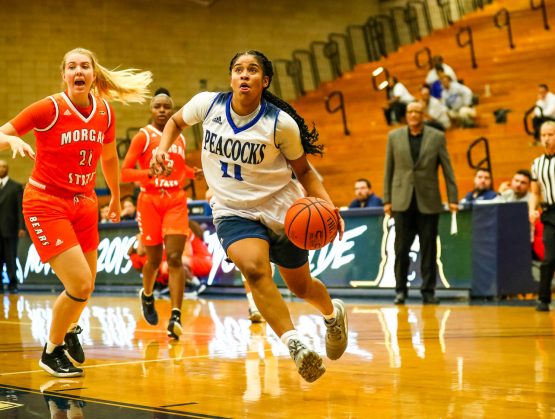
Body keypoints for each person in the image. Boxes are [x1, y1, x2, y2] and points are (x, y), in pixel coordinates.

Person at [151, 50, 348, 383]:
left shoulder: (279, 124)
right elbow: (174, 122)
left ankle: (332, 314)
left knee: (301, 287)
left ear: (264, 81)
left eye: (252, 70)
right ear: (231, 78)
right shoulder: (207, 105)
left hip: (281, 209)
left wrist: (328, 205)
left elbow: (304, 171)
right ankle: (295, 344)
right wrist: (161, 148)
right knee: (255, 270)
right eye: (238, 70)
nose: (244, 75)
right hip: (232, 210)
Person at [0, 47, 151, 377]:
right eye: (72, 66)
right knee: (80, 284)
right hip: (46, 202)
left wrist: (113, 196)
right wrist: (9, 141)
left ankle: (69, 331)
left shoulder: (105, 112)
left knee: (88, 284)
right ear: (64, 75)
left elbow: (109, 159)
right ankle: (51, 350)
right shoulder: (49, 108)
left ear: (93, 74)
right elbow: (1, 132)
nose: (78, 71)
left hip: (84, 203)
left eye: (84, 66)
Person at [121, 88, 199, 339]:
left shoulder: (180, 137)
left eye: (167, 106)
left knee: (175, 257)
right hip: (149, 201)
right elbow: (124, 173)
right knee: (154, 260)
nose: (163, 110)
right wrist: (149, 174)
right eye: (158, 107)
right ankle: (147, 294)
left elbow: (177, 168)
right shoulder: (143, 137)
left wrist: (190, 172)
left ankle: (176, 315)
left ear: (173, 109)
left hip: (175, 199)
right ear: (151, 110)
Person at [383, 101, 458, 305]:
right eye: (410, 112)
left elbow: (447, 168)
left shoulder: (437, 137)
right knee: (401, 250)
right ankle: (400, 291)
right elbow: (388, 169)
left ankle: (428, 291)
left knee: (429, 249)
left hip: (428, 201)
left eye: (417, 111)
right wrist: (387, 199)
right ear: (406, 115)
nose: (414, 115)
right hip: (402, 201)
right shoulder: (394, 137)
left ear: (423, 115)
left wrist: (453, 198)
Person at [529, 121, 555, 311]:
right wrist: (532, 209)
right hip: (549, 213)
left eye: (550, 134)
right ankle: (543, 298)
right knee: (549, 258)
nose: (546, 138)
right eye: (543, 135)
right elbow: (536, 192)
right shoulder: (536, 164)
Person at [0, 159, 25, 294]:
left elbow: (20, 208)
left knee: (11, 258)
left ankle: (12, 284)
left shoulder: (15, 186)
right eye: (0, 167)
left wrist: (21, 227)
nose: (2, 169)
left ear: (7, 169)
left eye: (4, 166)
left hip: (10, 228)